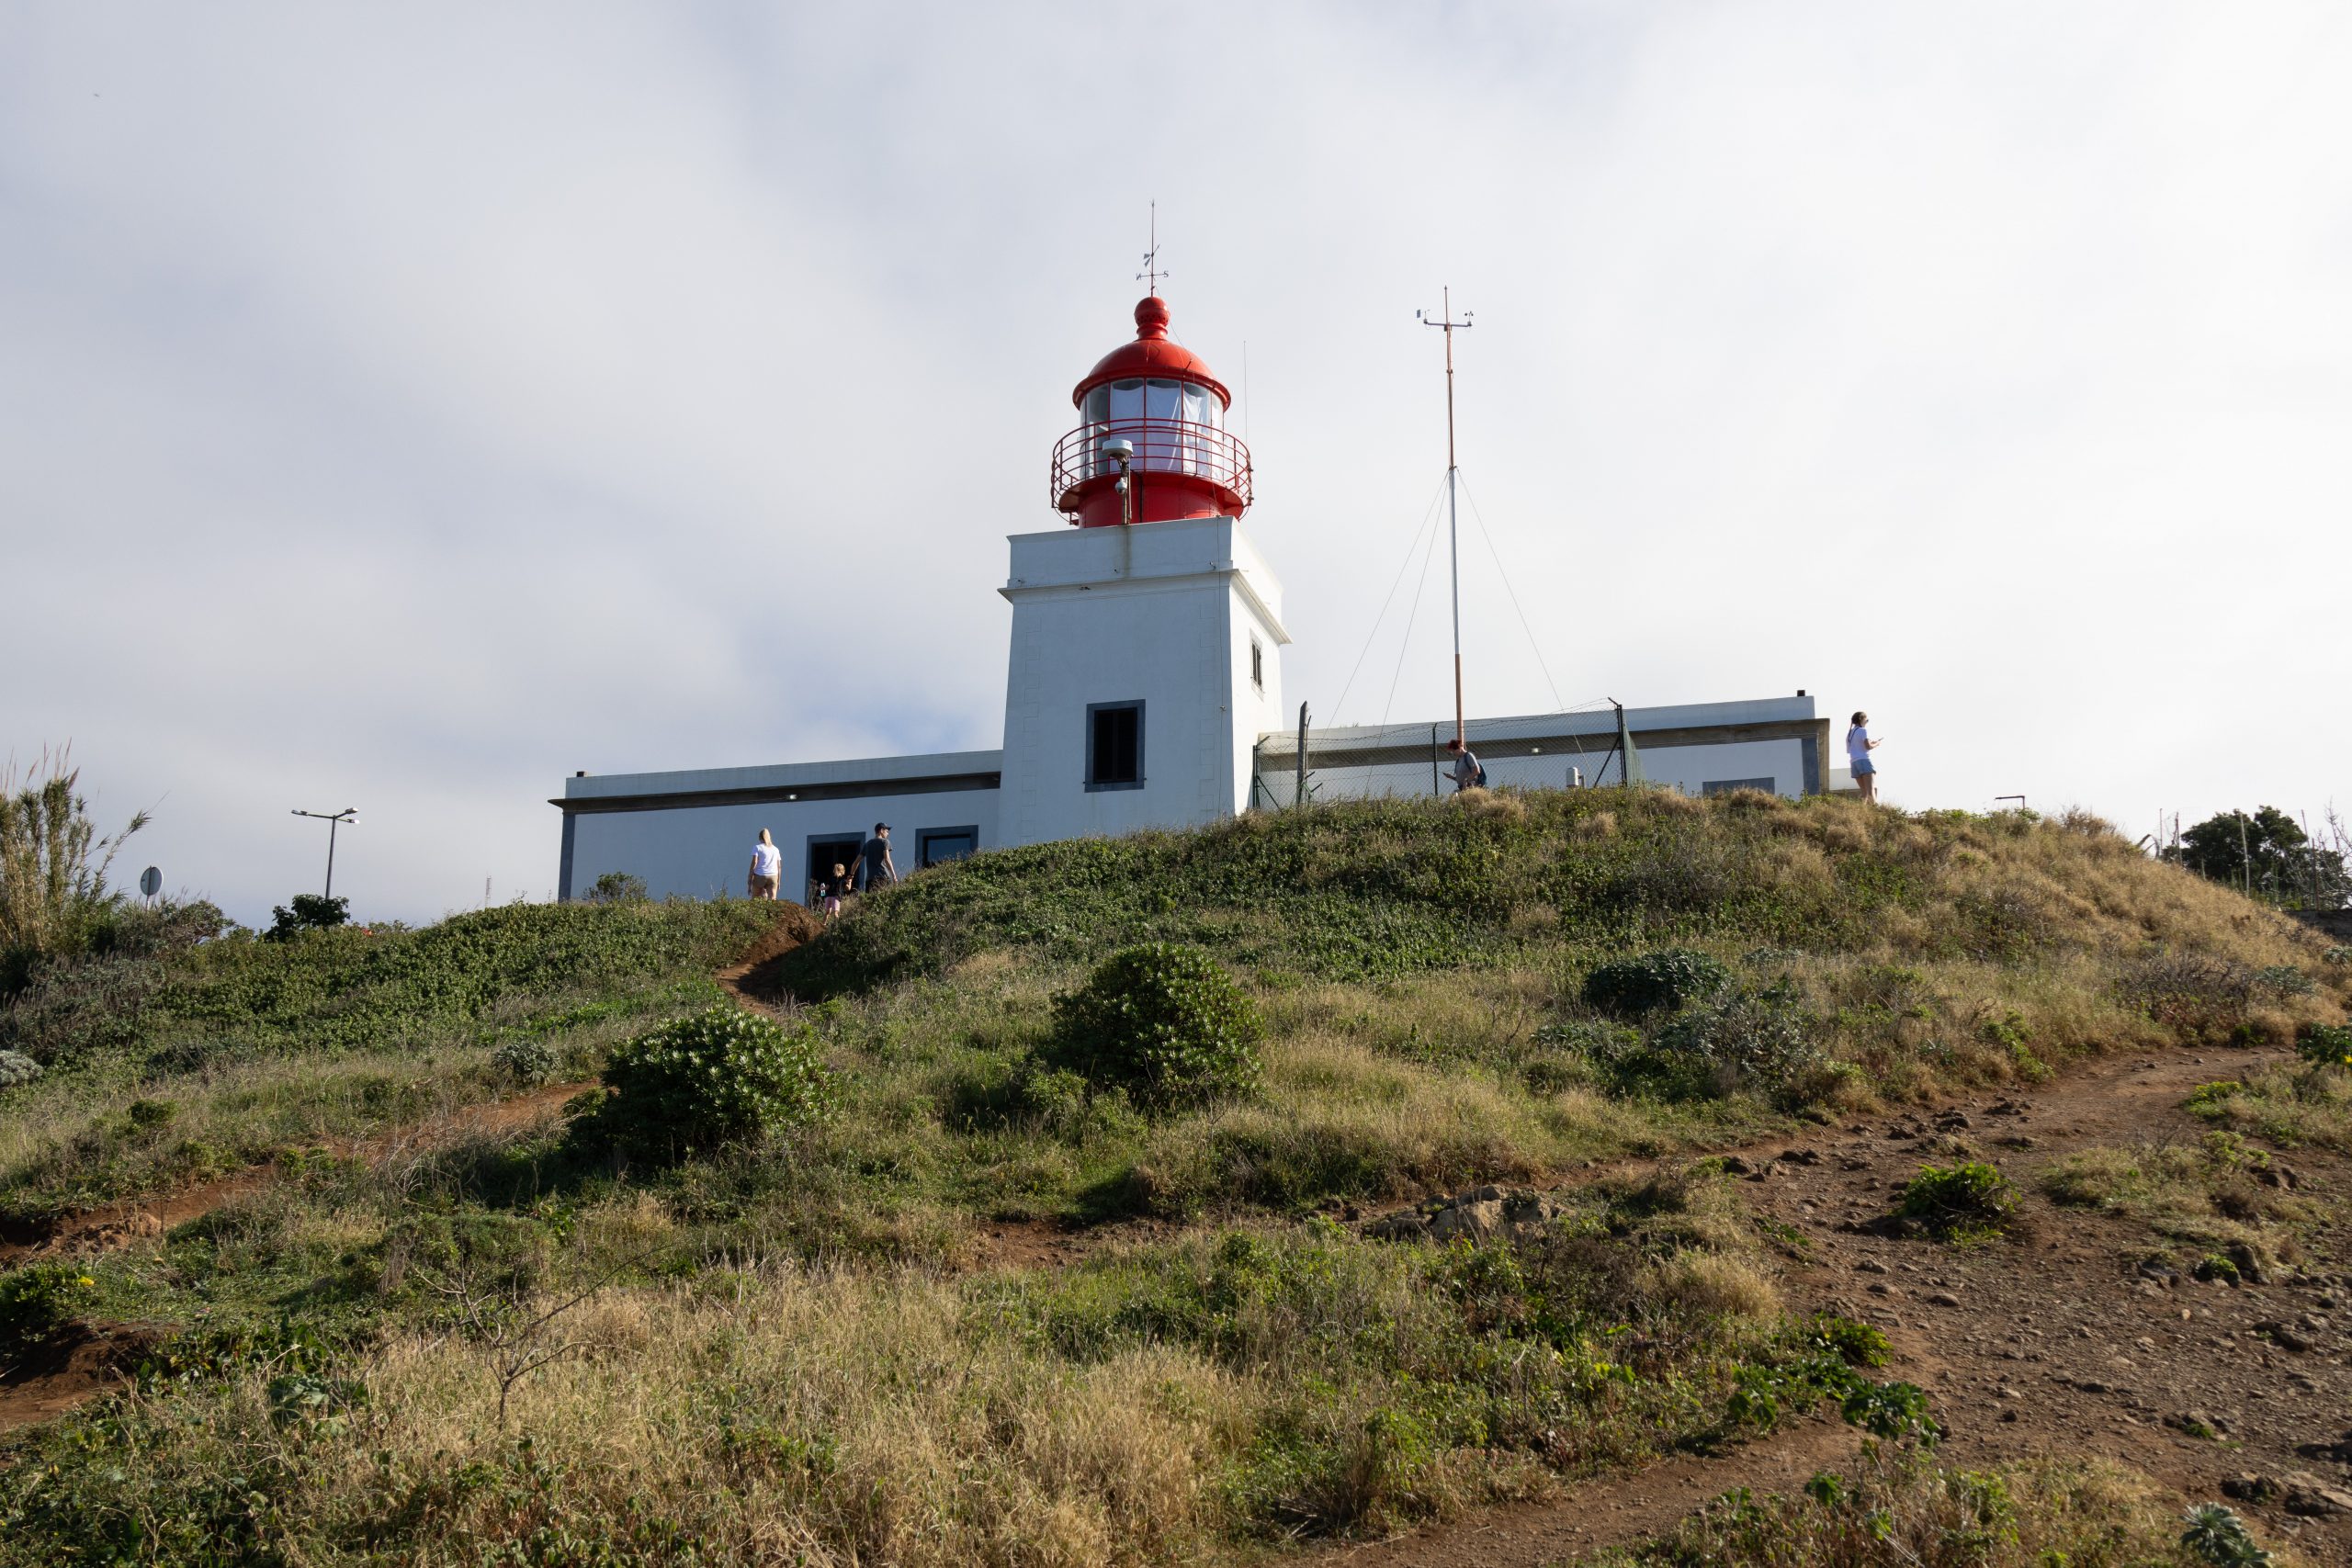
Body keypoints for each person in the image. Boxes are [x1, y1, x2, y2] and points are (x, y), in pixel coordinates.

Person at [853, 821, 897, 892]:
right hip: (883, 877)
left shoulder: (867, 844)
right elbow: (887, 859)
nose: (888, 834)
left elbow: (856, 862)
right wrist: (893, 875)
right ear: (881, 830)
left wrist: (851, 875)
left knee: (870, 902)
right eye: (887, 831)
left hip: (870, 879)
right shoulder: (885, 842)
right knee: (883, 901)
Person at [1848, 711, 1882, 802]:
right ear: (1861, 719)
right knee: (1871, 790)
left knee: (1864, 792)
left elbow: (1850, 750)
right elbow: (1868, 747)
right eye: (1866, 720)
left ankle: (1863, 811)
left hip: (1854, 763)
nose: (1866, 722)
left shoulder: (1849, 734)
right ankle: (1874, 811)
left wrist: (1870, 742)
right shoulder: (1863, 730)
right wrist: (1877, 744)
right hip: (1864, 761)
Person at [746, 829, 783, 900]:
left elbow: (755, 862)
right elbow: (779, 866)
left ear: (760, 838)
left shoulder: (757, 847)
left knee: (755, 899)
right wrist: (779, 881)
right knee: (772, 899)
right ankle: (771, 911)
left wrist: (750, 876)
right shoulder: (776, 849)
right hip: (773, 876)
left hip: (760, 875)